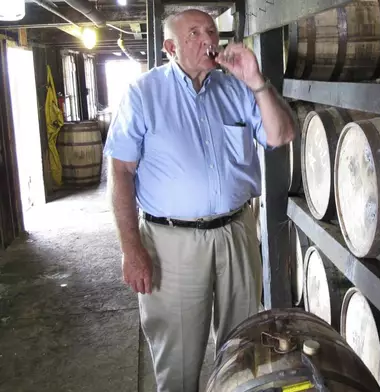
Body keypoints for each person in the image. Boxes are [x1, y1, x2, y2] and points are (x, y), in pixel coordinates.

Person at [103, 8, 296, 392]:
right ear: (171, 47)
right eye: (194, 33)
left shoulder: (237, 87)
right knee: (178, 358)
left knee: (244, 347)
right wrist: (131, 248)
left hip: (236, 233)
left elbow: (282, 135)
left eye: (210, 30)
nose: (208, 38)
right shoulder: (144, 94)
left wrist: (256, 80)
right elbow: (120, 173)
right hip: (170, 243)